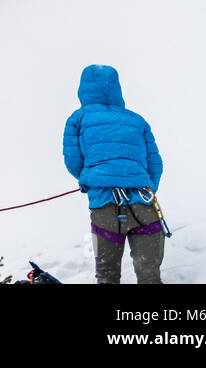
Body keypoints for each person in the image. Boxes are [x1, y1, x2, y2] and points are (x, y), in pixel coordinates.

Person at [62, 64, 165, 284]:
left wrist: (94, 178)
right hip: (144, 206)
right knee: (150, 275)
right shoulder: (137, 120)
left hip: (104, 209)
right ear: (117, 88)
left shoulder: (78, 119)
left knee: (106, 275)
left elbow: (73, 160)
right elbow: (155, 163)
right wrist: (145, 186)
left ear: (83, 89)